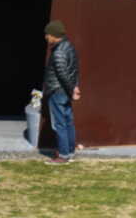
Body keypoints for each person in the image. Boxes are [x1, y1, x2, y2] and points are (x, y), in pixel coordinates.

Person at [42, 20, 81, 164]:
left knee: (59, 124)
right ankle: (69, 151)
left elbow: (62, 73)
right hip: (65, 91)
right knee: (68, 122)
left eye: (47, 34)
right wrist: (75, 87)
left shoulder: (58, 52)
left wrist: (72, 89)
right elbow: (75, 70)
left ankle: (63, 156)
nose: (46, 37)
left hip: (58, 91)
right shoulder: (69, 46)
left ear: (54, 35)